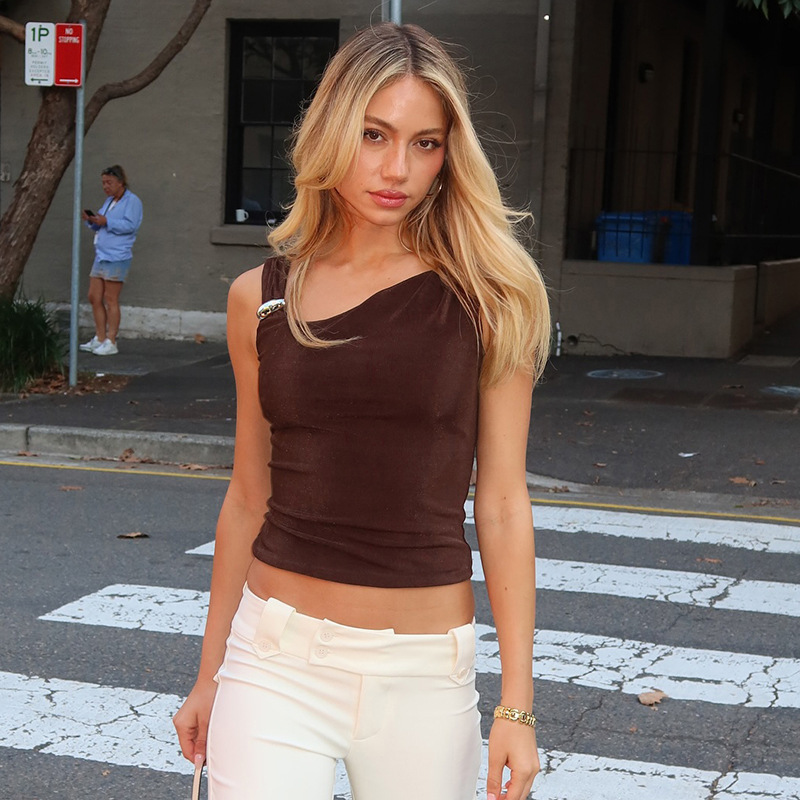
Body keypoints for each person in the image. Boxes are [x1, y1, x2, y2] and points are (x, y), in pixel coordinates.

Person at [173, 22, 550, 800]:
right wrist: (209, 675)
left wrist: (517, 706)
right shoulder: (261, 298)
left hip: (423, 673)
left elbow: (504, 503)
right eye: (374, 135)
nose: (395, 169)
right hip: (272, 660)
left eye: (424, 144)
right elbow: (247, 497)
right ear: (332, 130)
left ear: (449, 156)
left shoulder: (489, 299)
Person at [80, 165, 143, 356]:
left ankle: (111, 340)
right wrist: (91, 220)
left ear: (120, 182)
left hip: (117, 256)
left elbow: (130, 226)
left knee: (110, 298)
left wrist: (107, 222)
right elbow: (100, 224)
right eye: (103, 183)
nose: (105, 187)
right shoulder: (109, 201)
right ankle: (99, 338)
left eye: (109, 182)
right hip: (101, 255)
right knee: (94, 296)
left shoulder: (132, 201)